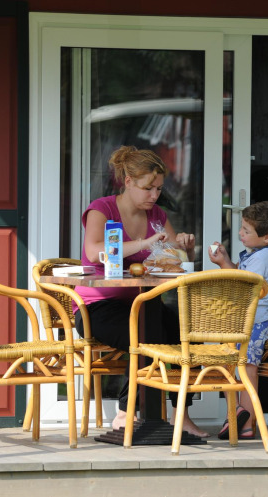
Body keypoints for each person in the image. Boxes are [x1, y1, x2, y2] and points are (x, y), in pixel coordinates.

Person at [74, 145, 209, 437]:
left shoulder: (157, 214)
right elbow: (95, 250)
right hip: (97, 307)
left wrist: (184, 247)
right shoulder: (102, 208)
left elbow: (172, 256)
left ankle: (179, 416)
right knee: (146, 337)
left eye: (159, 189)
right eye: (148, 188)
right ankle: (126, 412)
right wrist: (143, 244)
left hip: (145, 303)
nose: (154, 195)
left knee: (188, 338)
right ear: (128, 182)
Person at [208, 200, 268, 439]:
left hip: (255, 323)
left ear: (266, 237)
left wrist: (224, 270)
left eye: (246, 230)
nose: (240, 233)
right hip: (243, 321)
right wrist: (224, 262)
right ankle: (238, 414)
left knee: (248, 368)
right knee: (231, 365)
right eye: (241, 227)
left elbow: (242, 286)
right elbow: (240, 276)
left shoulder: (262, 259)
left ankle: (245, 419)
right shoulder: (256, 254)